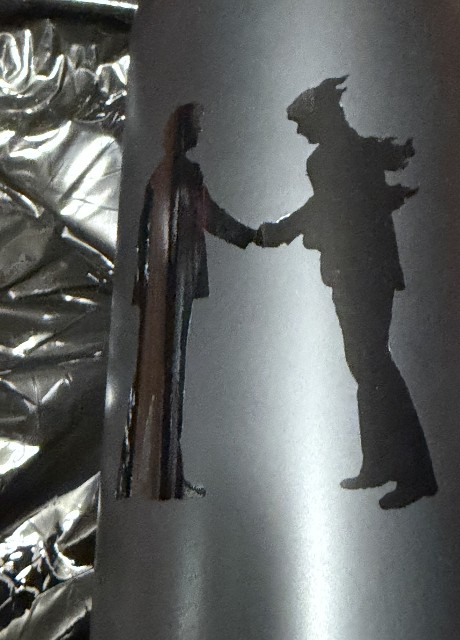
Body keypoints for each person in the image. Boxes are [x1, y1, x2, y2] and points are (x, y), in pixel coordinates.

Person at [256, 77, 437, 509]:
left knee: (373, 365)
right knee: (366, 366)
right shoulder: (355, 151)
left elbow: (325, 209)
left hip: (360, 274)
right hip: (363, 273)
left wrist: (278, 232)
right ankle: (379, 463)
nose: (300, 131)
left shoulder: (328, 159)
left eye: (302, 123)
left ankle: (415, 473)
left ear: (320, 118)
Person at [119, 103, 255, 500]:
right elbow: (208, 216)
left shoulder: (159, 174)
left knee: (157, 377)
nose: (200, 130)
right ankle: (166, 476)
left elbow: (143, 236)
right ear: (184, 129)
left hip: (158, 286)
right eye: (197, 124)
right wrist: (251, 236)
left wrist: (141, 285)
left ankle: (155, 472)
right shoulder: (186, 173)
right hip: (174, 284)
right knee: (170, 376)